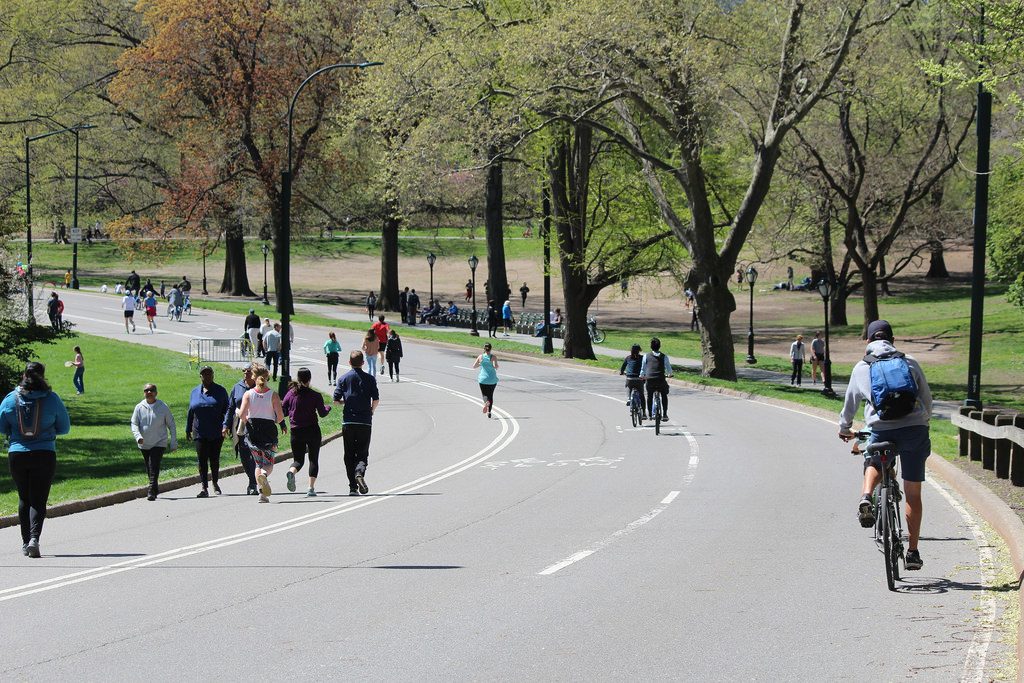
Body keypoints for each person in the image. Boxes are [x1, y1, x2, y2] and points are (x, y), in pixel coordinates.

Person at [839, 320, 933, 571]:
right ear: (892, 339)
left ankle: (866, 496)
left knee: (874, 460)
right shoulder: (909, 361)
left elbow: (850, 404)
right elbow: (926, 399)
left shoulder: (861, 367)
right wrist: (922, 422)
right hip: (914, 430)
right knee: (913, 494)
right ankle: (912, 552)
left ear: (868, 341)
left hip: (880, 429)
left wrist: (845, 428)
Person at [0, 362, 70, 558]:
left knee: (24, 497)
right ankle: (34, 539)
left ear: (24, 375)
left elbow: (1, 426)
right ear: (43, 376)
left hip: (17, 454)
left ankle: (24, 543)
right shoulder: (52, 399)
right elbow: (65, 428)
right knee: (38, 500)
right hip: (44, 453)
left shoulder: (10, 399)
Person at [237, 362, 287, 503]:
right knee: (268, 462)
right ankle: (264, 475)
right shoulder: (273, 395)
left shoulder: (248, 394)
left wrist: (247, 419)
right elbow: (280, 416)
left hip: (253, 431)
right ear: (267, 377)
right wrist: (280, 422)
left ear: (253, 377)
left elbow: (242, 414)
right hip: (269, 431)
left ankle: (262, 494)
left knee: (258, 463)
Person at [333, 350, 379, 496]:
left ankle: (352, 487)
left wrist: (344, 402)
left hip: (348, 422)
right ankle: (359, 473)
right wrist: (371, 411)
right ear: (363, 363)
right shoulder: (370, 379)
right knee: (362, 453)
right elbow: (376, 399)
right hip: (365, 421)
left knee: (349, 454)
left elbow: (335, 400)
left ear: (349, 363)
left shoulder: (343, 378)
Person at [282, 367, 331, 496]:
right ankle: (310, 488)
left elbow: (284, 410)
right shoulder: (315, 395)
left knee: (298, 460)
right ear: (309, 379)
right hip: (312, 430)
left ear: (298, 378)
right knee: (313, 459)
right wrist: (328, 408)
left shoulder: (291, 393)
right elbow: (322, 413)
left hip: (296, 431)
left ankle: (291, 472)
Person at [186, 366, 229, 498]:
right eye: (204, 374)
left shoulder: (220, 391)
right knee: (202, 460)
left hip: (216, 431)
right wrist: (188, 429)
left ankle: (215, 482)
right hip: (199, 431)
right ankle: (204, 487)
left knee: (214, 459)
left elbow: (227, 409)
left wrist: (226, 425)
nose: (207, 376)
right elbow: (191, 411)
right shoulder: (194, 392)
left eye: (209, 373)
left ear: (213, 375)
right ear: (200, 376)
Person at [131, 383, 177, 502]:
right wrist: (138, 436)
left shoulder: (162, 407)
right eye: (146, 390)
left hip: (159, 441)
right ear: (144, 393)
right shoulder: (139, 407)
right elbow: (134, 424)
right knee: (149, 466)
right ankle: (155, 488)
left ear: (156, 393)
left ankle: (151, 490)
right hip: (144, 443)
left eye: (151, 390)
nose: (149, 392)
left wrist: (173, 441)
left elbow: (171, 424)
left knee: (154, 464)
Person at [223, 365, 259, 495]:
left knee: (254, 454)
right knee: (244, 456)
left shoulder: (258, 387)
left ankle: (254, 483)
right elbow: (230, 407)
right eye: (244, 371)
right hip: (240, 425)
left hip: (256, 425)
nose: (246, 374)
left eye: (249, 372)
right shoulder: (237, 387)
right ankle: (252, 480)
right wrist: (225, 425)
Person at [640, 337, 674, 419]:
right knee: (664, 394)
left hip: (650, 379)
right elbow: (668, 368)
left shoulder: (646, 356)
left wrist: (642, 376)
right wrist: (670, 374)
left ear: (651, 346)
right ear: (660, 346)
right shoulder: (664, 356)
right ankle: (665, 414)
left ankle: (650, 414)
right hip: (660, 379)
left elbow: (643, 368)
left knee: (649, 396)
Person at [473, 342, 499, 418]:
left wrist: (481, 363)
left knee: (484, 394)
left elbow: (474, 366)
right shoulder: (493, 357)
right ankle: (489, 412)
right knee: (490, 395)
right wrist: (496, 365)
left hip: (483, 379)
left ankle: (486, 402)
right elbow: (495, 366)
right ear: (490, 349)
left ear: (484, 349)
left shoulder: (480, 357)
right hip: (492, 380)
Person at [619, 344, 646, 418]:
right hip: (639, 378)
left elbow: (623, 367)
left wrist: (621, 372)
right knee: (641, 395)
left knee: (628, 386)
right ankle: (643, 413)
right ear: (639, 350)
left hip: (630, 378)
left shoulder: (628, 358)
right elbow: (645, 367)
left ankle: (629, 399)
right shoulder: (642, 358)